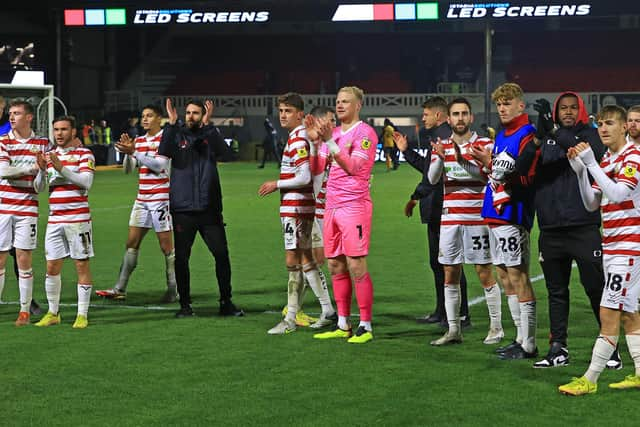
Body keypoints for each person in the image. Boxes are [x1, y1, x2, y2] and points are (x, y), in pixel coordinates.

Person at [523, 93, 621, 369]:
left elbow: (584, 153)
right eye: (562, 108)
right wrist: (539, 139)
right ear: (555, 111)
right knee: (556, 291)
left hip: (583, 226)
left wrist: (554, 130)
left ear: (581, 110)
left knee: (595, 288)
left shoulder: (591, 135)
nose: (567, 112)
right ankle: (558, 348)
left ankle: (610, 347)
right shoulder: (544, 137)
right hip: (550, 227)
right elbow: (524, 168)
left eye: (572, 107)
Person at [396, 97, 503, 346]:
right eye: (456, 114)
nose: (460, 118)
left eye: (464, 113)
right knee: (449, 272)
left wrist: (462, 159)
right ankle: (453, 329)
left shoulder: (484, 143)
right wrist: (442, 158)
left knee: (484, 272)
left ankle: (496, 327)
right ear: (450, 118)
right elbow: (433, 179)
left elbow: (485, 175)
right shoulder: (440, 145)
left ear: (471, 118)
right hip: (449, 218)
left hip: (476, 218)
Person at [559, 105, 640, 395]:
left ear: (623, 127)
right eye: (600, 124)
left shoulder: (633, 156)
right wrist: (580, 171)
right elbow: (592, 203)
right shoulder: (607, 159)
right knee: (630, 313)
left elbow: (620, 193)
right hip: (614, 245)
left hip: (630, 247)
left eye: (609, 124)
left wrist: (590, 164)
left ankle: (590, 379)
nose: (603, 129)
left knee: (608, 311)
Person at [470, 83, 538, 360]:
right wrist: (489, 163)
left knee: (518, 275)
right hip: (494, 213)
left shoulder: (527, 134)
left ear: (521, 105)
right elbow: (498, 173)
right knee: (503, 275)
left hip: (513, 213)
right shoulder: (501, 134)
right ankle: (519, 337)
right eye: (499, 104)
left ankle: (529, 344)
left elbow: (526, 176)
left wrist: (493, 161)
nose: (502, 108)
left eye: (508, 103)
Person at [258, 93, 335, 334]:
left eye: (288, 111)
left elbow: (304, 176)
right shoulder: (298, 137)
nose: (283, 115)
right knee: (301, 260)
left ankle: (292, 318)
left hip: (297, 208)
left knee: (296, 260)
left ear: (301, 114)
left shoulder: (298, 139)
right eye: (281, 110)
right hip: (297, 207)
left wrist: (276, 184)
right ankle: (325, 310)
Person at [158, 98, 242, 318]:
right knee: (182, 258)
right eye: (188, 113)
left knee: (221, 254)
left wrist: (209, 126)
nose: (191, 116)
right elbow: (163, 151)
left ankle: (226, 302)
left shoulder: (208, 136)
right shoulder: (176, 135)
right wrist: (172, 123)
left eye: (195, 113)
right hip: (183, 210)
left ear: (202, 115)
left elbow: (226, 153)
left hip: (209, 208)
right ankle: (185, 305)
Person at [306, 86, 378, 344]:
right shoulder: (333, 133)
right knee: (335, 264)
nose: (340, 105)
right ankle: (343, 323)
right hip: (332, 206)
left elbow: (353, 167)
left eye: (345, 101)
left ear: (358, 105)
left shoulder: (365, 133)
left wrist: (327, 142)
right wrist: (315, 143)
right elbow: (317, 168)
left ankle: (366, 326)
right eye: (337, 101)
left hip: (354, 205)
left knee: (356, 264)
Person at [400, 96, 470, 327]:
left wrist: (414, 197)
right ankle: (442, 312)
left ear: (438, 115)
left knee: (449, 263)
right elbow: (428, 170)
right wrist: (407, 151)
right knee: (439, 262)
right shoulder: (437, 137)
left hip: (443, 207)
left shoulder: (443, 138)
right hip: (437, 208)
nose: (423, 117)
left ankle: (459, 313)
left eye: (426, 114)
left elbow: (434, 180)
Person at [96, 105, 177, 303]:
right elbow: (128, 170)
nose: (145, 119)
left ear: (160, 119)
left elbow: (159, 166)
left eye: (150, 116)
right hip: (142, 199)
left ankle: (174, 290)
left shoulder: (165, 139)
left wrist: (135, 152)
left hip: (160, 199)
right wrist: (128, 152)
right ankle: (120, 288)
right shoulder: (139, 141)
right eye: (143, 116)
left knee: (166, 246)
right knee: (132, 243)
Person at [33, 116, 96, 328]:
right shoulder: (50, 156)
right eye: (56, 130)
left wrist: (62, 170)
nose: (59, 133)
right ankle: (53, 313)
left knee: (81, 265)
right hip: (55, 220)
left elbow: (86, 182)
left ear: (73, 132)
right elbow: (39, 188)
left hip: (78, 220)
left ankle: (82, 315)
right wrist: (42, 170)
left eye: (64, 129)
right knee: (51, 266)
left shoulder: (84, 154)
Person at [0, 100, 49, 326]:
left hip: (28, 208)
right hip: (3, 208)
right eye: (10, 113)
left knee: (23, 259)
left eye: (17, 113)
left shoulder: (42, 144)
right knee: (0, 258)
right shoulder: (3, 141)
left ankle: (24, 311)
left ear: (29, 117)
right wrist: (31, 169)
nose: (11, 117)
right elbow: (3, 171)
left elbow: (39, 186)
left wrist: (39, 173)